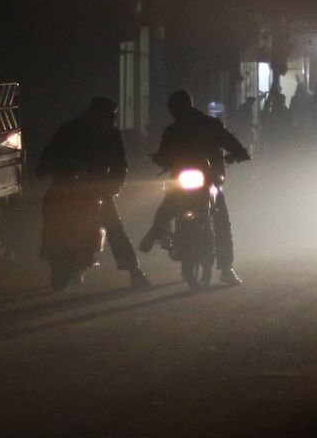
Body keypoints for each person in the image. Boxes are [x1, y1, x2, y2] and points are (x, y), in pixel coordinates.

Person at [34, 97, 150, 289]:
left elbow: (120, 164)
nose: (110, 119)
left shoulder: (112, 134)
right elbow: (51, 152)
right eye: (107, 115)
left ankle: (134, 271)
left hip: (97, 187)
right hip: (67, 184)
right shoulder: (70, 130)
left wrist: (114, 184)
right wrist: (42, 167)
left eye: (112, 116)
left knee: (114, 226)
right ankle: (53, 254)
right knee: (50, 210)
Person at [139, 89, 252, 285]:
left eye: (174, 108)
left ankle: (226, 268)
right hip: (184, 180)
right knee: (170, 205)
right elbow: (163, 154)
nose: (173, 112)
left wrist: (239, 153)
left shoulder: (208, 126)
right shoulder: (174, 130)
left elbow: (232, 143)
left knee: (220, 219)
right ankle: (157, 230)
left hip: (210, 180)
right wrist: (159, 158)